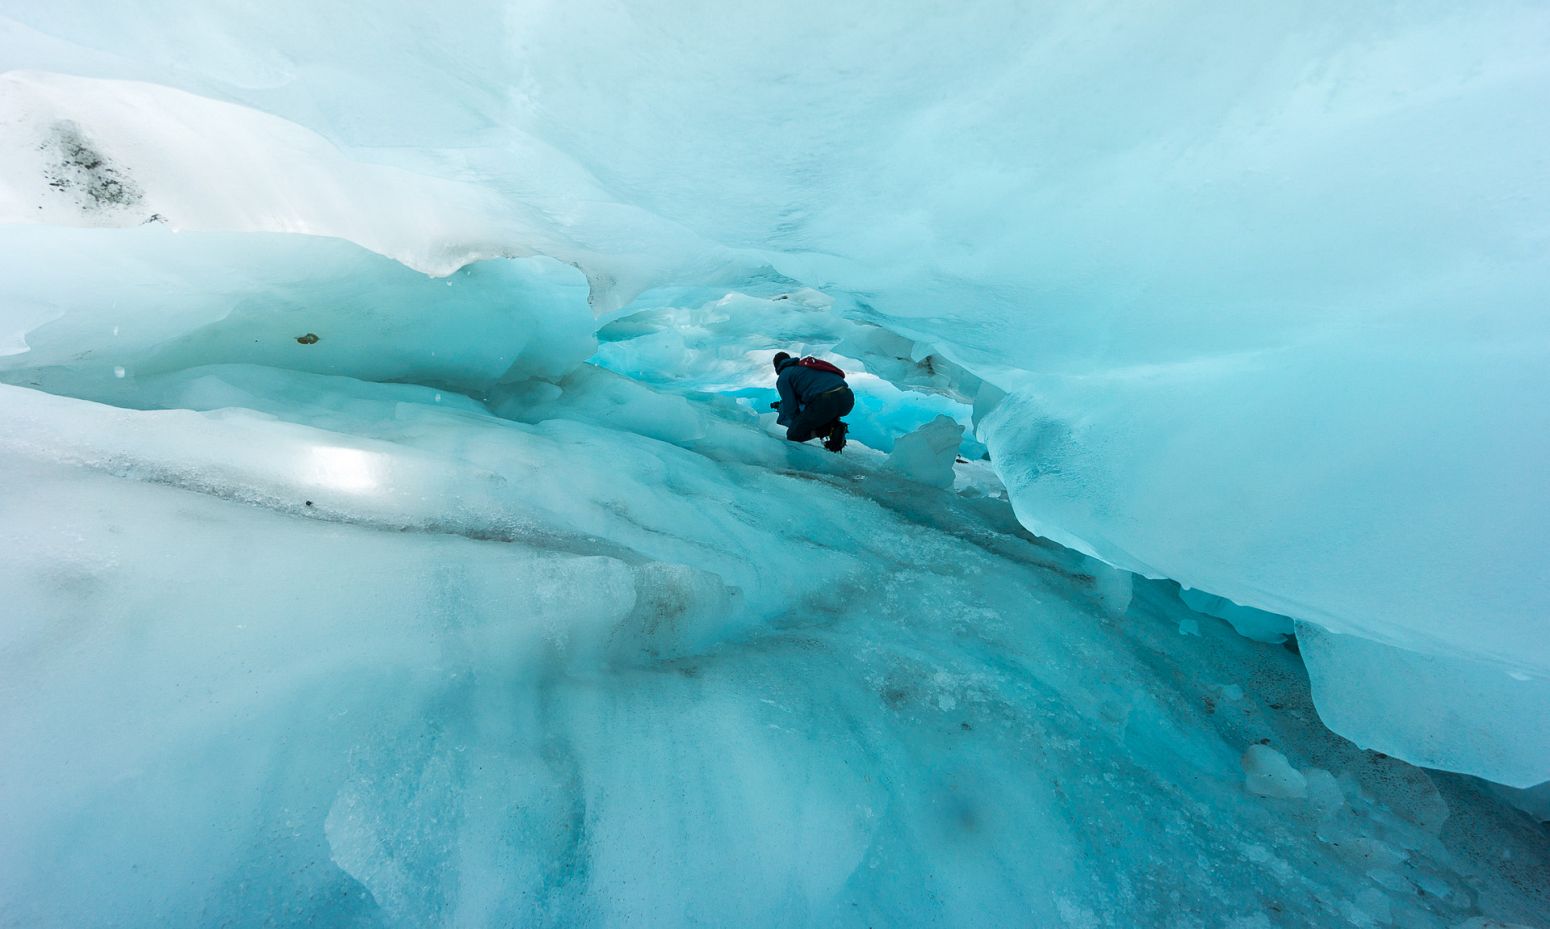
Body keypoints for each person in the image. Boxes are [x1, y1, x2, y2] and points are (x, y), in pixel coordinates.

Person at [771, 351, 854, 452]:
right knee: (821, 414)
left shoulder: (784, 376)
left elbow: (791, 408)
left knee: (794, 434)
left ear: (776, 367)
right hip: (847, 398)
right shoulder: (807, 368)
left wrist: (797, 424)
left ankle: (829, 429)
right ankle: (834, 429)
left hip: (826, 400)